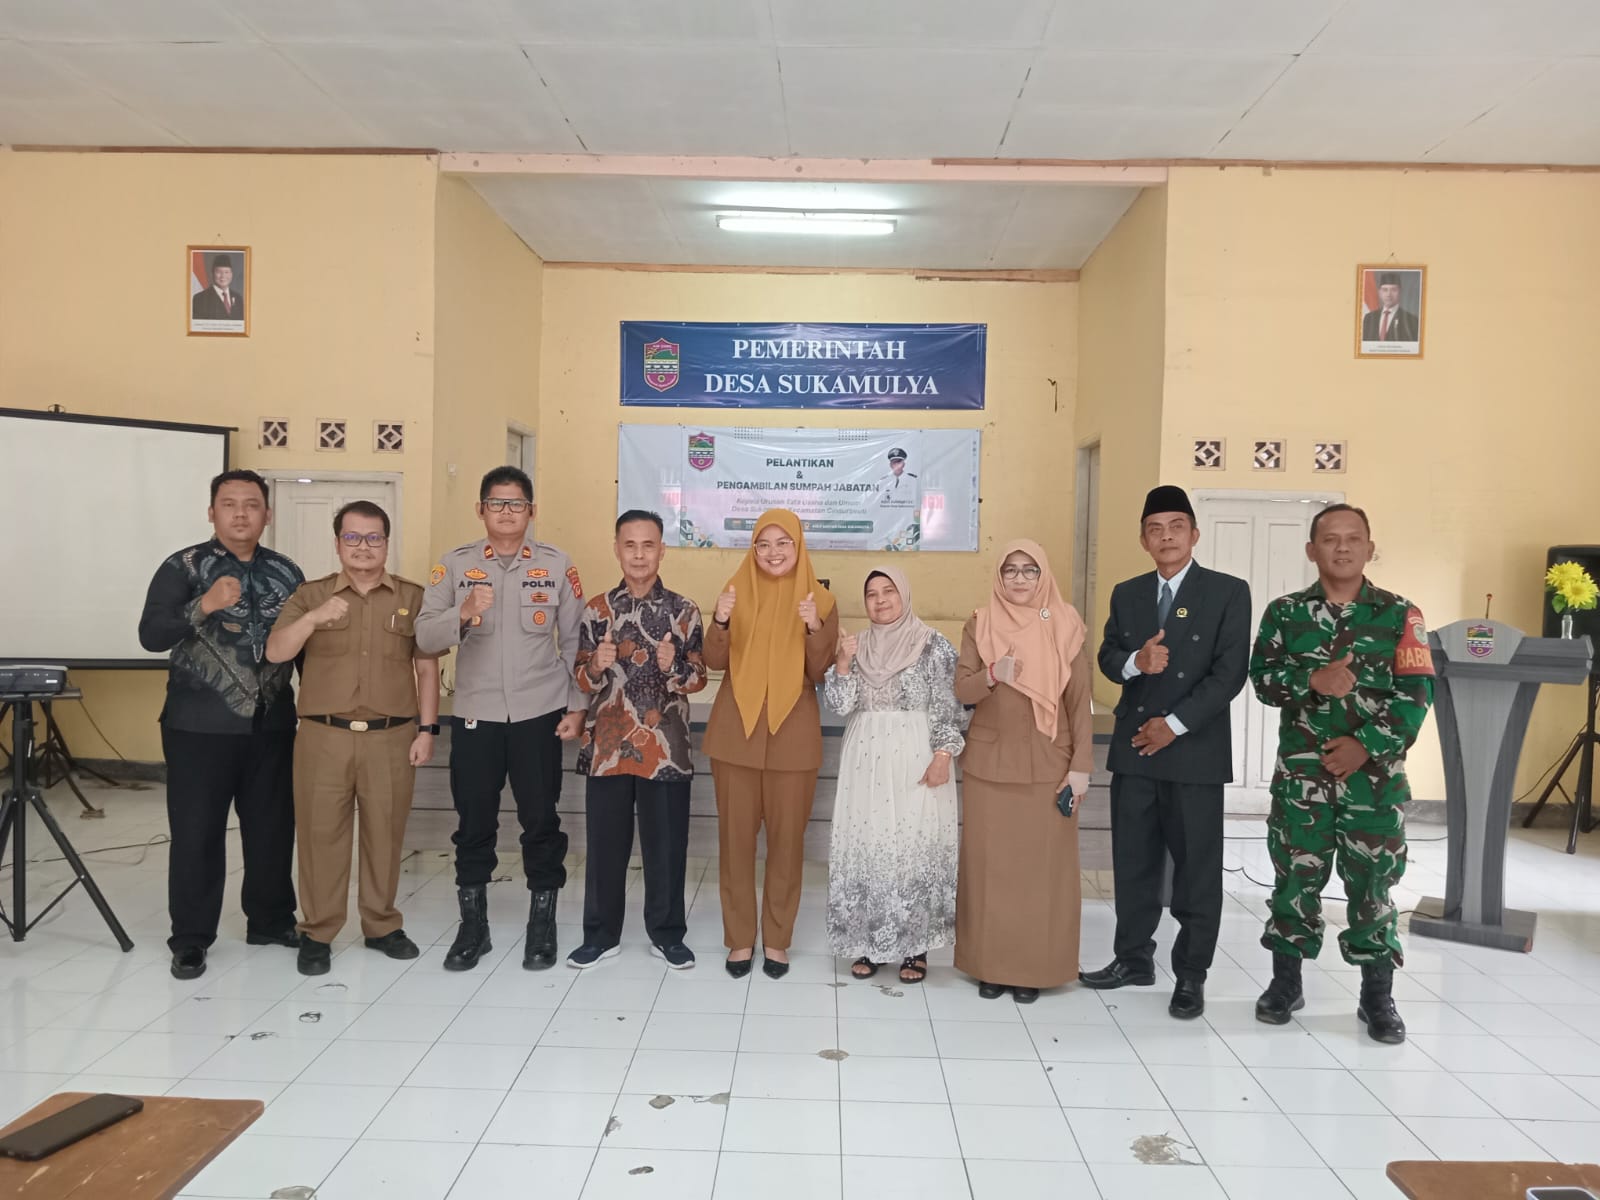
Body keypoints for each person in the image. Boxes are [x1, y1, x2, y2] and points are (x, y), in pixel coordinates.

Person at [1250, 503, 1434, 1044]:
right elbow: (1262, 680)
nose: (1343, 547)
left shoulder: (1401, 615)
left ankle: (1377, 996)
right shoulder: (1285, 613)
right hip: (1302, 783)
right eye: (1330, 538)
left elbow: (1417, 696)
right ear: (1312, 550)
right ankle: (1285, 984)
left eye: (1354, 538)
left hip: (1372, 785)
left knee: (1374, 886)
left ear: (1370, 548)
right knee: (1294, 880)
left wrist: (1364, 746)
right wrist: (1312, 681)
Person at [1080, 486, 1252, 1020]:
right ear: (1143, 540)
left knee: (1197, 869)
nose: (1167, 537)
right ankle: (1133, 958)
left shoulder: (1227, 592)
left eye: (1177, 527)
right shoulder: (1128, 593)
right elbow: (1108, 656)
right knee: (1134, 863)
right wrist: (1136, 661)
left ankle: (1192, 974)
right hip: (1136, 750)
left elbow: (1230, 674)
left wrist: (1173, 726)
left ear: (1194, 534)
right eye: (1155, 529)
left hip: (1194, 752)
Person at [415, 466, 586, 972]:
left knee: (541, 821)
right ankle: (474, 928)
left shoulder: (557, 565)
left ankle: (542, 925)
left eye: (516, 504)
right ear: (480, 509)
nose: (506, 512)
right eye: (497, 503)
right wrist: (463, 611)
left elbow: (576, 641)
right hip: (477, 714)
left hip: (539, 712)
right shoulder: (454, 565)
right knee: (474, 823)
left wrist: (577, 705)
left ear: (531, 511)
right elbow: (424, 637)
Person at [138, 469, 304, 980]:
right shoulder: (183, 566)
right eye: (229, 504)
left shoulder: (287, 572)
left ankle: (271, 921)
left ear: (267, 514)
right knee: (197, 834)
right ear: (212, 512)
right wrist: (205, 604)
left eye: (251, 504)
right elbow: (151, 634)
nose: (240, 514)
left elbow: (304, 646)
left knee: (273, 830)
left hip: (272, 725)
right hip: (198, 727)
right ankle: (191, 938)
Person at [265, 501, 442, 976]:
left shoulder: (412, 597)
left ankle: (381, 925)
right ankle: (318, 931)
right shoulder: (310, 595)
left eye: (373, 537)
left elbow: (427, 668)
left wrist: (427, 730)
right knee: (321, 836)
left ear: (386, 542)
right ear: (337, 542)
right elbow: (276, 651)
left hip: (391, 736)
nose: (363, 546)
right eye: (352, 537)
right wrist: (313, 618)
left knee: (385, 834)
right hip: (324, 736)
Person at [953, 540, 1092, 1003]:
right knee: (989, 870)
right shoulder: (980, 622)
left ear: (1043, 575)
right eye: (1010, 569)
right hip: (990, 767)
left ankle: (1035, 968)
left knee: (1041, 872)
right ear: (999, 576)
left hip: (1049, 763)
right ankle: (989, 965)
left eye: (1029, 570)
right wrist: (994, 673)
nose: (1018, 578)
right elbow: (963, 691)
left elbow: (1080, 703)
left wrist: (1081, 766)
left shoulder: (1066, 623)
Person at [567, 510, 707, 970]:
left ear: (662, 550)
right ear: (617, 549)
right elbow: (582, 680)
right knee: (605, 847)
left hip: (665, 750)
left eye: (649, 545)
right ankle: (600, 935)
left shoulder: (684, 611)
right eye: (630, 545)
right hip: (608, 748)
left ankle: (667, 934)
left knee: (666, 847)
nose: (640, 555)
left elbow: (699, 678)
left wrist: (673, 666)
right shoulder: (597, 610)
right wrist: (596, 664)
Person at [703, 509, 838, 979]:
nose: (773, 552)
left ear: (798, 546)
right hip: (734, 737)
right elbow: (713, 661)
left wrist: (815, 628)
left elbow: (820, 671)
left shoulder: (821, 600)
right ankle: (740, 939)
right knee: (735, 844)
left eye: (783, 543)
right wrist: (720, 621)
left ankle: (777, 940)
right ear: (753, 549)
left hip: (792, 738)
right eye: (763, 544)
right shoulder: (734, 591)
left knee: (786, 845)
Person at [823, 566, 962, 985]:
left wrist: (943, 754)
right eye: (872, 594)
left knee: (913, 846)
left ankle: (914, 947)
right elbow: (839, 705)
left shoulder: (933, 645)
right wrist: (842, 663)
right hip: (865, 759)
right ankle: (868, 941)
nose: (881, 600)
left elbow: (950, 705)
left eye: (889, 591)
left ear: (904, 594)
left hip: (916, 755)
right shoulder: (857, 645)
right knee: (868, 846)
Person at [1361, 272, 1419, 342]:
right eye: (1385, 290)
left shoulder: (1411, 321)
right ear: (1379, 293)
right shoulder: (1369, 318)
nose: (1389, 294)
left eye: (1394, 290)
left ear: (1400, 292)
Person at [192, 253, 243, 322]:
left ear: (231, 274)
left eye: (226, 272)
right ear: (212, 273)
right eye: (219, 272)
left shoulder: (238, 298)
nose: (223, 276)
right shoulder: (200, 299)